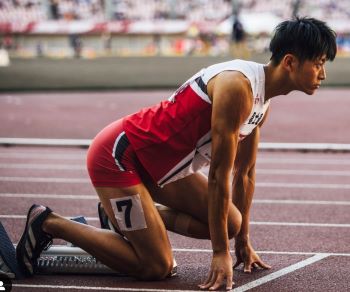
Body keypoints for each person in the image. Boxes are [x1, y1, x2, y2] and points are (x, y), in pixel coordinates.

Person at [16, 17, 336, 290]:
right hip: (120, 156)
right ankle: (48, 222)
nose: (322, 74)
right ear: (291, 62)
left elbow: (246, 173)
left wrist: (241, 242)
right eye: (319, 63)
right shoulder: (237, 88)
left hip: (158, 168)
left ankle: (124, 219)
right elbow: (219, 175)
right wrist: (219, 253)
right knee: (156, 266)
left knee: (231, 224)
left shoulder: (261, 104)